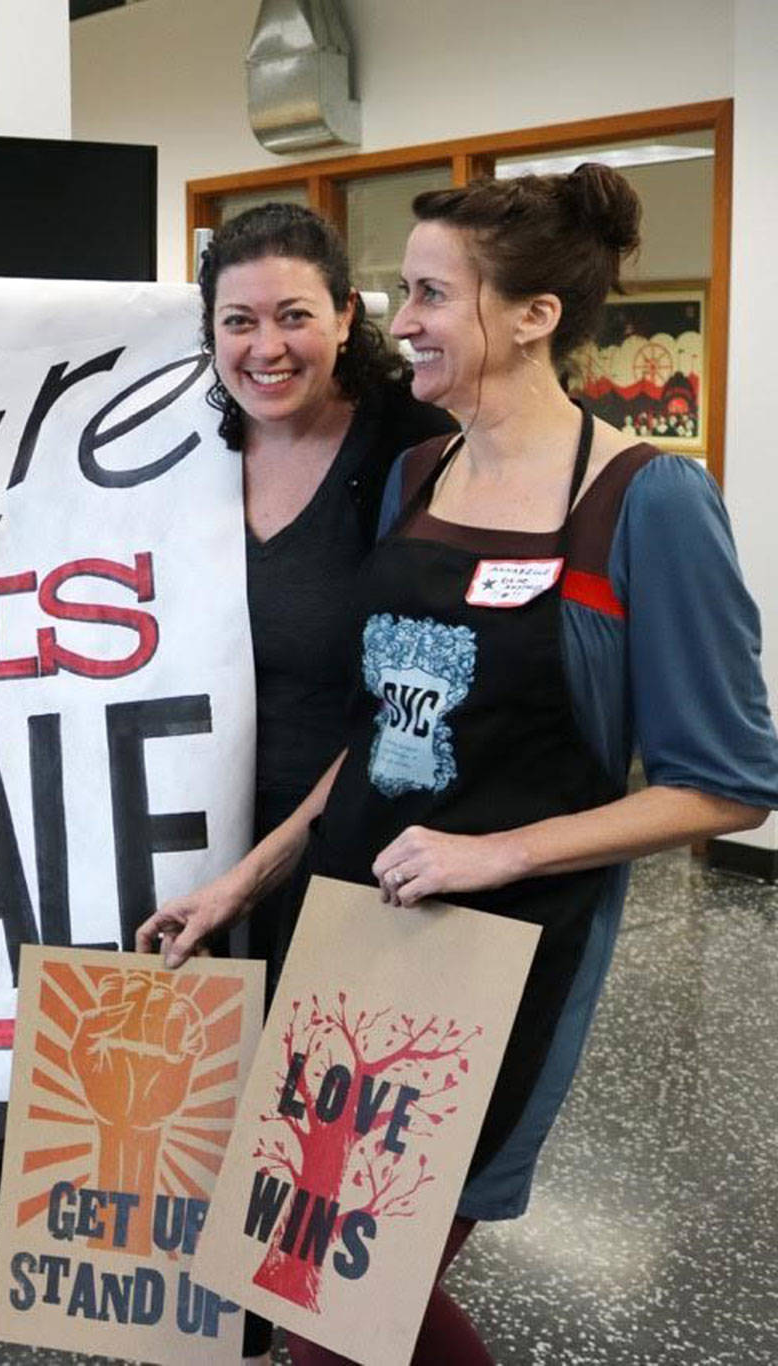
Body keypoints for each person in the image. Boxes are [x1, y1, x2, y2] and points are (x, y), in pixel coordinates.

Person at [144, 164, 778, 1363]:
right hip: (347, 929)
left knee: (333, 1300)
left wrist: (496, 850)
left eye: (430, 294)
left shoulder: (645, 501)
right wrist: (248, 880)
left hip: (491, 962)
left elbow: (730, 782)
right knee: (301, 1282)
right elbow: (380, 725)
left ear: (533, 315)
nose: (403, 321)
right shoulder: (417, 474)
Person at [199, 204, 455, 1366]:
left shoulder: (407, 448)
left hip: (349, 860)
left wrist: (264, 867)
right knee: (206, 1186)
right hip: (193, 849)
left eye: (294, 315)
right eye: (237, 319)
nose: (266, 346)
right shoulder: (176, 447)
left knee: (335, 1230)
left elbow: (407, 689)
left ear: (344, 316)